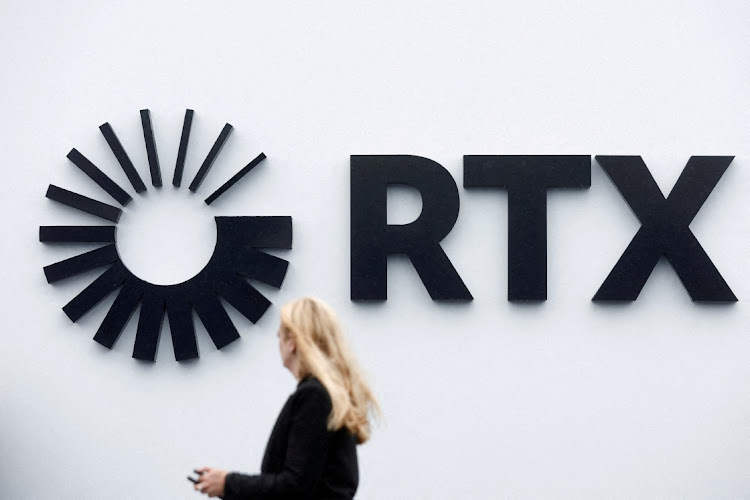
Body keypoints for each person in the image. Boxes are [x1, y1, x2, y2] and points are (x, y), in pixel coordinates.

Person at [194, 296, 380, 499]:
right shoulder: (329, 395)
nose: (279, 344)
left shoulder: (314, 397)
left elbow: (294, 486)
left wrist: (228, 483)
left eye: (280, 336)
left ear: (292, 342)